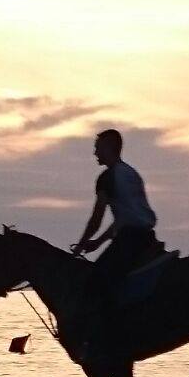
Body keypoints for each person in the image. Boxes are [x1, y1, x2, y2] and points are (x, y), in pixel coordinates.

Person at [72, 128, 159, 299]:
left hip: (129, 240)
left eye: (98, 148)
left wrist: (81, 245)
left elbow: (96, 219)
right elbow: (124, 218)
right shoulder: (132, 173)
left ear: (109, 147)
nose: (95, 152)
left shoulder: (107, 178)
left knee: (95, 283)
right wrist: (98, 242)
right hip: (146, 238)